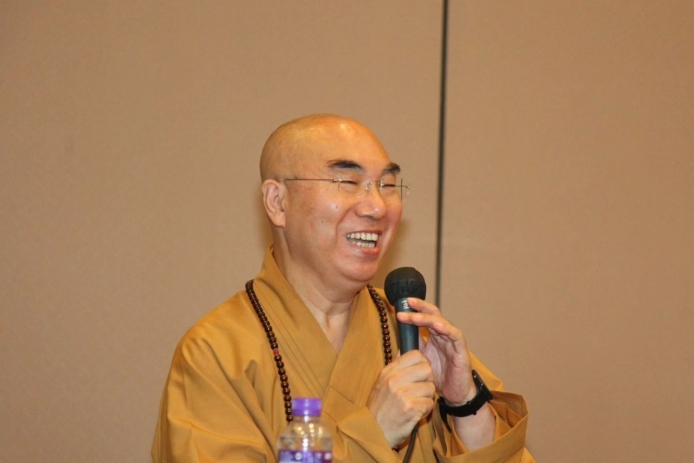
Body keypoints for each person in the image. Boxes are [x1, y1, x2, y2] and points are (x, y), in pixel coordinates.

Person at [152, 114, 534, 462]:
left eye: (387, 185)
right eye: (348, 182)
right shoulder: (216, 352)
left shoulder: (412, 335)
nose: (377, 206)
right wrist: (373, 434)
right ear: (277, 202)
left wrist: (464, 402)